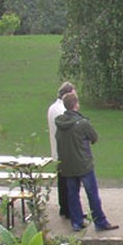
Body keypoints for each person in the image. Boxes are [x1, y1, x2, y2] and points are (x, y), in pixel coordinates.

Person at [54, 91, 119, 232]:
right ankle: (100, 221)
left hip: (67, 165)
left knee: (72, 194)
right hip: (83, 164)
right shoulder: (82, 123)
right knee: (92, 194)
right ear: (76, 105)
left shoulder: (60, 123)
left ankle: (77, 222)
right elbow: (94, 137)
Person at [47, 81, 75, 219]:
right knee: (67, 181)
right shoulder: (62, 110)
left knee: (62, 180)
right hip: (64, 150)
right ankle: (68, 209)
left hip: (57, 150)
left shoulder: (53, 107)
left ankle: (64, 207)